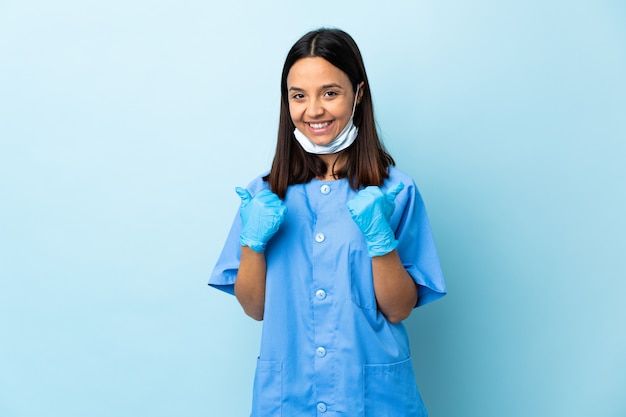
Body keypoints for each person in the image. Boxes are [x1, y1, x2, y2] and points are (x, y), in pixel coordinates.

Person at [209, 28, 447, 417]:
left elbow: (399, 309)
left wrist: (380, 240)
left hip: (371, 398)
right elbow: (254, 307)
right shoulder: (263, 196)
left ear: (358, 93)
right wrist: (253, 241)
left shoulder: (395, 192)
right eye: (298, 96)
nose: (314, 110)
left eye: (330, 92)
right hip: (289, 398)